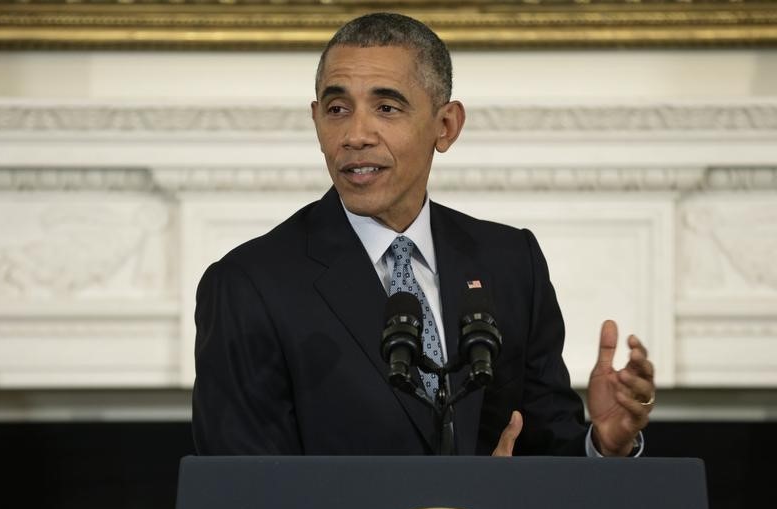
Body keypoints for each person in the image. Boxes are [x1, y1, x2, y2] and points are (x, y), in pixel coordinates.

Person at [192, 12, 655, 457]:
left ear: (446, 125)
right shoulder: (248, 285)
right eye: (337, 109)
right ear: (316, 120)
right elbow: (247, 492)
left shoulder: (511, 263)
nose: (356, 135)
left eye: (386, 107)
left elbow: (542, 445)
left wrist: (601, 446)